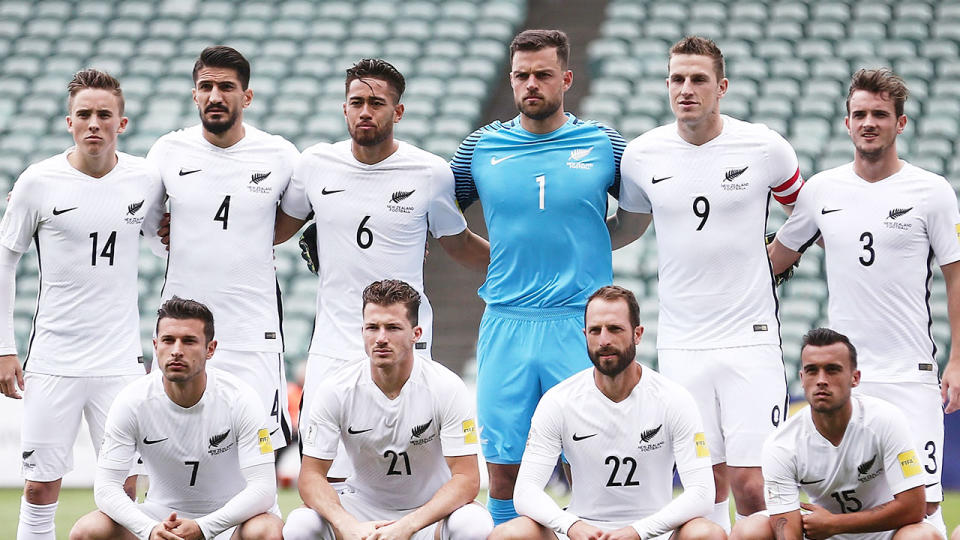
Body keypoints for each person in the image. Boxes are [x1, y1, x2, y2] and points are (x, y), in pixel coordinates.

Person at [607, 36, 804, 530]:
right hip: (681, 341)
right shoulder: (642, 155)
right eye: (677, 79)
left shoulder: (764, 146)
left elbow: (805, 213)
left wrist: (774, 261)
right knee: (705, 483)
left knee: (753, 483)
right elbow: (629, 227)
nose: (686, 89)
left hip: (750, 339)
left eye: (698, 79)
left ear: (722, 87)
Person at [273, 58, 489, 477]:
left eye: (377, 102)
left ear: (398, 111)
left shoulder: (429, 172)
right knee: (325, 475)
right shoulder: (315, 164)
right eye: (357, 102)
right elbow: (276, 228)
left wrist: (518, 261)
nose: (365, 111)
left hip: (405, 343)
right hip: (333, 344)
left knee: (411, 470)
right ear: (344, 107)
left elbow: (459, 244)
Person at [768, 68, 959, 534]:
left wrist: (957, 361)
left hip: (910, 376)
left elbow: (956, 277)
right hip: (849, 382)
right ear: (846, 122)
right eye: (860, 114)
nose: (869, 122)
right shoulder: (821, 191)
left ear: (901, 123)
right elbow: (772, 262)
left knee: (923, 511)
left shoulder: (931, 191)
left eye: (880, 114)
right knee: (850, 511)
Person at [449, 29, 626, 524]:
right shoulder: (479, 148)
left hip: (578, 322)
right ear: (510, 80)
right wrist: (502, 260)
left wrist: (588, 245)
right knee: (504, 470)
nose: (532, 84)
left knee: (587, 465)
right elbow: (445, 224)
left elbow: (636, 216)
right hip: (507, 321)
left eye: (543, 74)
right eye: (522, 75)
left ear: (565, 78)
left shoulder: (604, 143)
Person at [0, 69, 164, 540]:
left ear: (122, 123)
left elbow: (163, 238)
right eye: (84, 115)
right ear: (68, 122)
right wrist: (4, 347)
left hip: (119, 361)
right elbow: (5, 264)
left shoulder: (145, 179)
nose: (94, 123)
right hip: (54, 358)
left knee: (125, 489)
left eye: (104, 115)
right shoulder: (37, 182)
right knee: (38, 487)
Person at [146, 46, 300, 450]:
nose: (215, 96)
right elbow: (143, 223)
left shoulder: (281, 154)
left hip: (253, 328)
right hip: (182, 331)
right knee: (169, 445)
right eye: (206, 86)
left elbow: (297, 217)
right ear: (195, 94)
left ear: (246, 97)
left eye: (226, 87)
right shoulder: (167, 151)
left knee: (257, 451)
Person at [490, 285, 723, 540]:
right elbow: (525, 492)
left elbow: (702, 493)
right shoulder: (558, 401)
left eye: (614, 329)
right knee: (509, 534)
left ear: (637, 334)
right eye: (595, 330)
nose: (604, 340)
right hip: (584, 532)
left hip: (654, 532)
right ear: (584, 335)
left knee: (706, 533)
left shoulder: (674, 399)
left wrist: (638, 531)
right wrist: (571, 526)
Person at [283, 279, 493, 540]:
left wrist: (408, 525)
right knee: (299, 525)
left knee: (473, 525)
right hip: (360, 509)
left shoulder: (446, 387)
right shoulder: (335, 389)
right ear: (362, 331)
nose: (381, 338)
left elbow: (467, 478)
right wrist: (346, 524)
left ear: (416, 333)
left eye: (393, 327)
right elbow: (311, 477)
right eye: (372, 327)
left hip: (428, 511)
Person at [70, 297, 282, 540]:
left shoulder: (240, 398)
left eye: (189, 341)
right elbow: (106, 488)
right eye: (168, 340)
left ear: (210, 349)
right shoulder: (131, 401)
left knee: (266, 531)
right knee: (88, 530)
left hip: (229, 521)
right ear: (155, 345)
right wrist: (149, 529)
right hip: (160, 520)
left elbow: (264, 489)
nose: (177, 350)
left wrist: (204, 527)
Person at [732, 328, 935, 540]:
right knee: (749, 531)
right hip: (819, 533)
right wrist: (828, 529)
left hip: (881, 533)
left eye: (832, 370)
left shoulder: (886, 420)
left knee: (922, 535)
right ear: (802, 378)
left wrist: (835, 524)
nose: (821, 380)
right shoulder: (781, 444)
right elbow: (787, 529)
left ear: (855, 378)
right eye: (812, 370)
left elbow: (914, 506)